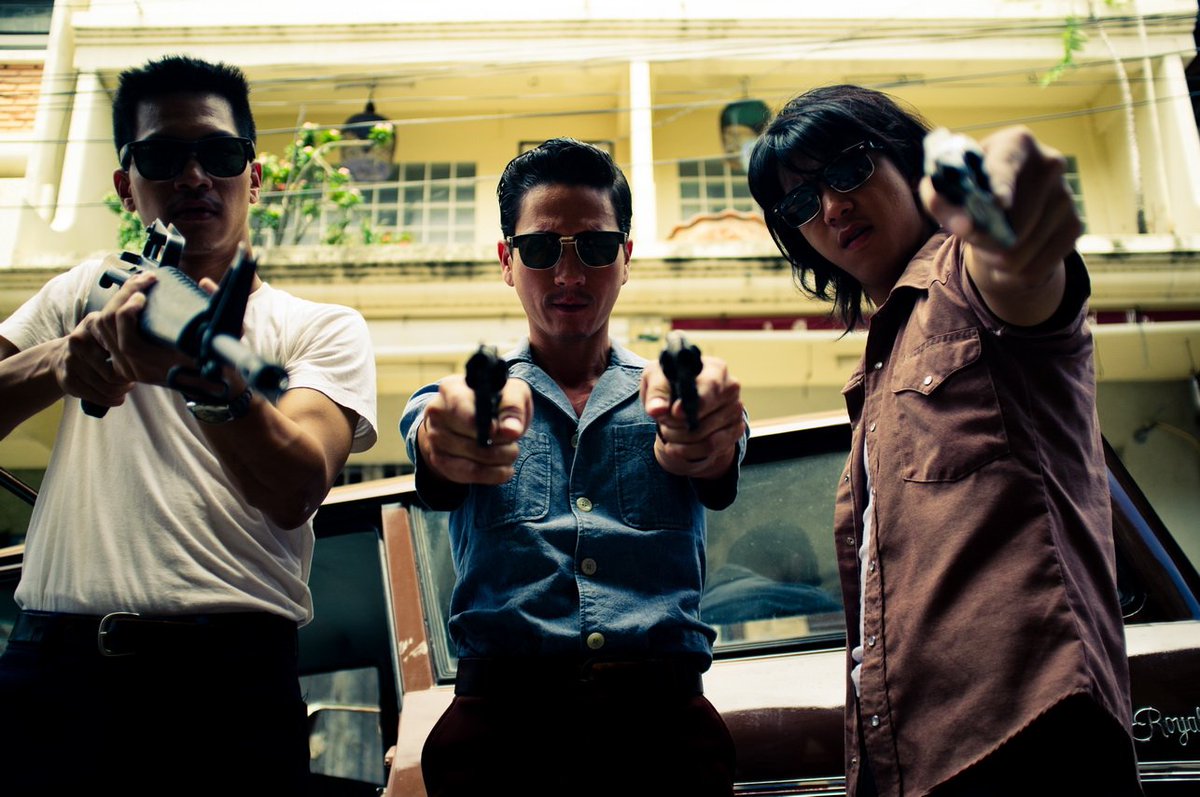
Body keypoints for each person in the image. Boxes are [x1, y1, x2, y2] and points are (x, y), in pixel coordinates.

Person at [747, 85, 1140, 797]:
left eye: (847, 169)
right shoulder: (881, 361)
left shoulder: (965, 275)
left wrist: (1011, 227)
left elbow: (1019, 271)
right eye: (799, 203)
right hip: (914, 766)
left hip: (1029, 744)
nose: (831, 208)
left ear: (908, 159)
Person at [0, 55, 377, 794]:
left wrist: (217, 390)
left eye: (221, 155)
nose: (195, 176)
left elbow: (298, 487)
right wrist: (65, 362)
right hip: (58, 672)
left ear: (254, 176)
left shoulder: (319, 327)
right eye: (163, 157)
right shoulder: (84, 292)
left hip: (230, 687)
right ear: (126, 184)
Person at [400, 137, 749, 797]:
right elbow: (436, 443)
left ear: (626, 257)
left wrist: (704, 432)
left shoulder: (682, 392)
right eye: (539, 249)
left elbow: (717, 456)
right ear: (507, 261)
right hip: (498, 742)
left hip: (665, 738)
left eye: (594, 247)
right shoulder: (456, 400)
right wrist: (449, 439)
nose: (567, 275)